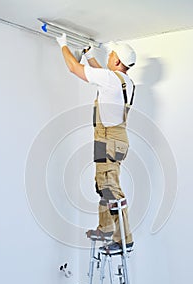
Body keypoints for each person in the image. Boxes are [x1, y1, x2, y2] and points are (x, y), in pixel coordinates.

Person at [56, 34, 136, 252]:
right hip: (111, 138)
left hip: (109, 138)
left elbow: (74, 69)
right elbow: (102, 75)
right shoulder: (123, 81)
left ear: (118, 62)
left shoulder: (112, 79)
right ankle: (106, 228)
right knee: (102, 186)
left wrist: (63, 44)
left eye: (111, 55)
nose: (109, 56)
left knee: (110, 189)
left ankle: (124, 239)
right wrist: (89, 56)